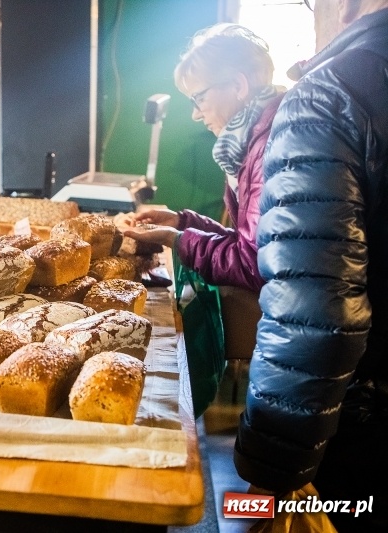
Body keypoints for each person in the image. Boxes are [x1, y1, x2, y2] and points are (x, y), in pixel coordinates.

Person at [234, 1, 388, 531]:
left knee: (230, 511)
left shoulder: (330, 94)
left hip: (362, 439)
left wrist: (269, 476)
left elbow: (316, 309)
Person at [123, 24, 284, 293]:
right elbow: (248, 244)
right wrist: (182, 223)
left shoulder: (269, 148)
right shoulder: (249, 141)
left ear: (237, 85)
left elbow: (252, 264)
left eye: (199, 98)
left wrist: (177, 240)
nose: (196, 115)